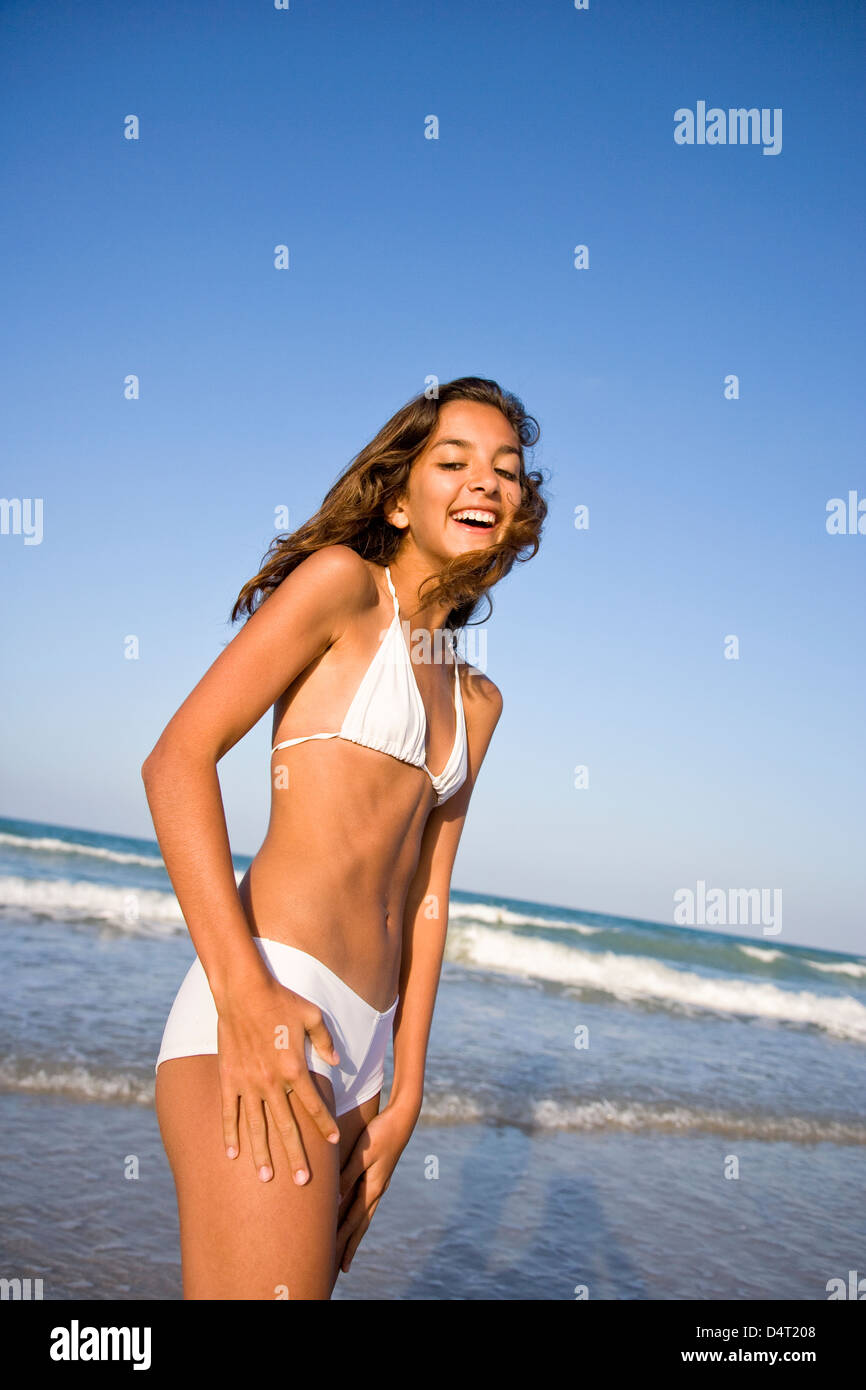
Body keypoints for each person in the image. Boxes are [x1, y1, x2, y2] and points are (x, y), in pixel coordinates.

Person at [143, 376, 547, 1299]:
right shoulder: (342, 591)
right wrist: (243, 992)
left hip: (366, 1051)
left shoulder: (478, 702)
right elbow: (176, 762)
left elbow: (428, 896)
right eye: (454, 462)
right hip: (267, 993)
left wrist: (405, 1093)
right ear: (400, 498)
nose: (485, 481)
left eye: (506, 470)